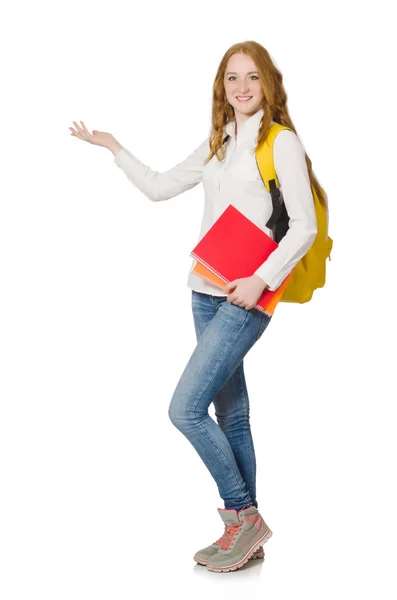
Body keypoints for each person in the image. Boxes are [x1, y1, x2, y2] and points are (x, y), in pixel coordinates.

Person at [69, 40, 321, 573]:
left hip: (245, 296)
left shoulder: (281, 143)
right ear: (221, 86)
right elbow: (160, 187)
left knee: (184, 408)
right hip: (204, 291)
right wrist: (115, 147)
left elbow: (305, 226)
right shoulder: (219, 142)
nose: (242, 87)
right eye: (233, 78)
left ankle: (244, 516)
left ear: (269, 83)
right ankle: (244, 535)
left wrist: (260, 279)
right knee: (232, 414)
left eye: (252, 77)